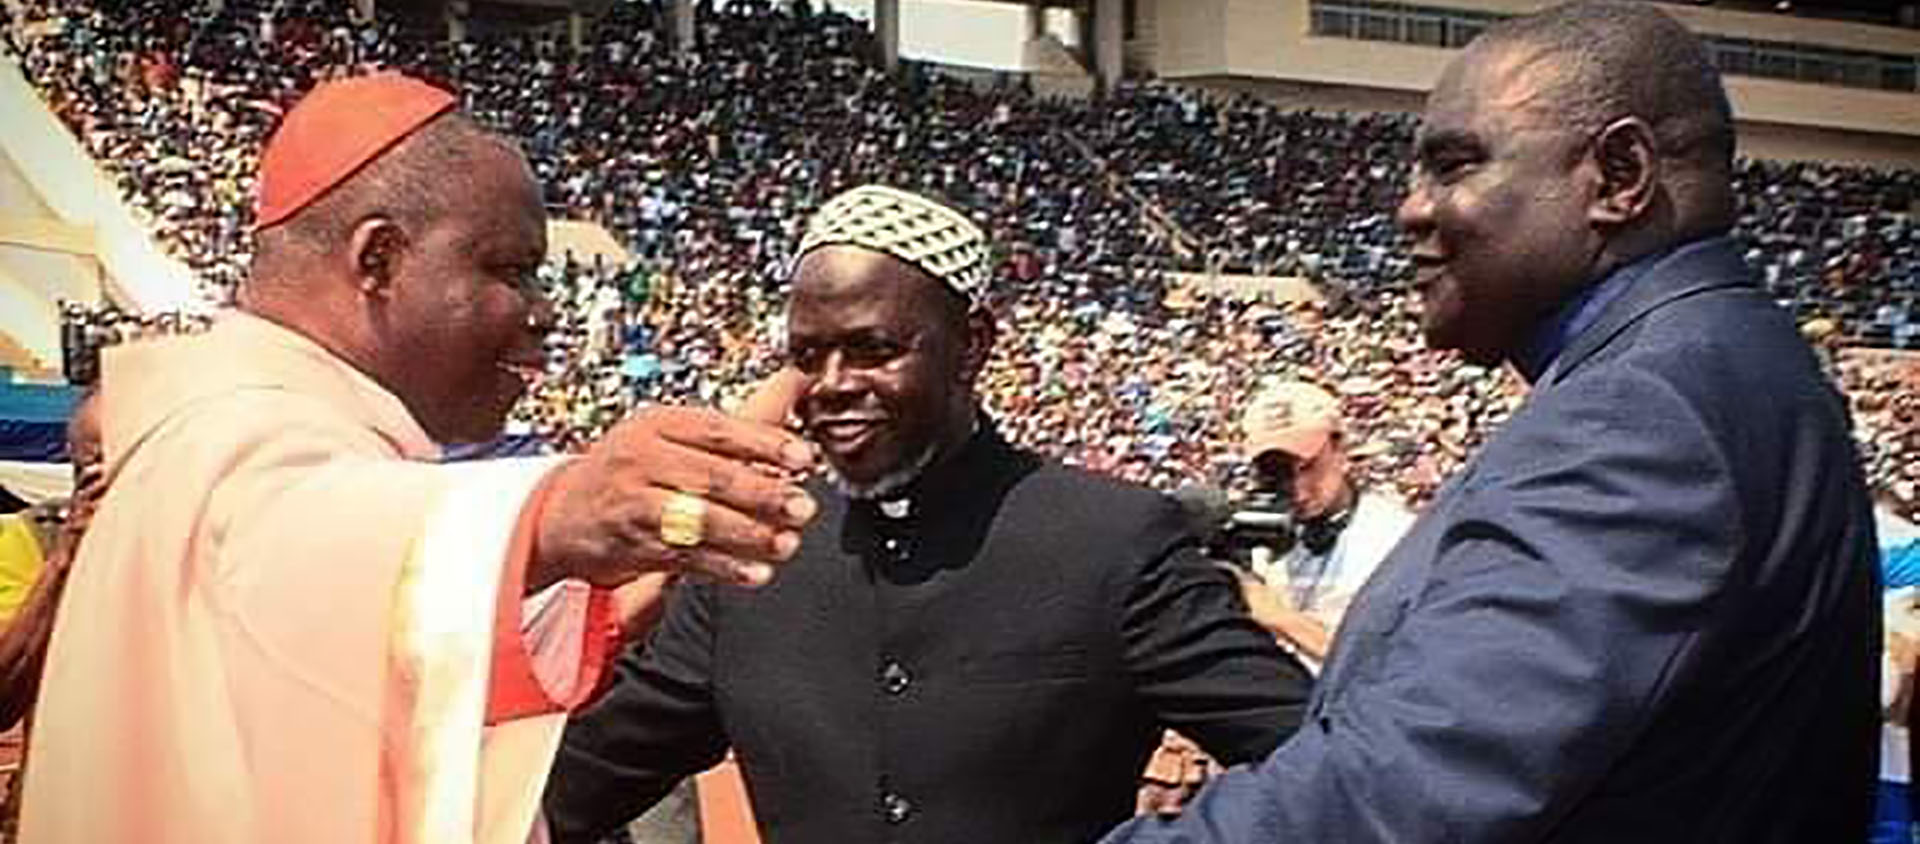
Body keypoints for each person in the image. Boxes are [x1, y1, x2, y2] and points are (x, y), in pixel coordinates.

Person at [1103, 3, 1880, 841]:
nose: (1411, 210)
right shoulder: (1712, 361)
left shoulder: (1648, 409)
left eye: (1454, 165)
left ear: (1620, 176)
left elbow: (1403, 790)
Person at [22, 72, 819, 844]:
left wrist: (619, 589)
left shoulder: (255, 415)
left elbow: (333, 638)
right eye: (511, 271)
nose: (544, 314)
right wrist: (557, 509)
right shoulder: (232, 431)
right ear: (379, 259)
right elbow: (302, 540)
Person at [543, 184, 1314, 844]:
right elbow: (581, 784)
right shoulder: (754, 556)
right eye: (809, 356)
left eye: (873, 349)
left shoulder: (1114, 542)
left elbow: (1317, 765)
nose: (832, 384)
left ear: (972, 345)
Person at [1234, 380, 1415, 666]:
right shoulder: (1254, 537)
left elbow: (1391, 664)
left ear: (1340, 446)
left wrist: (1281, 619)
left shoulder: (1395, 538)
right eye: (1276, 472)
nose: (1298, 488)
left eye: (1309, 467)